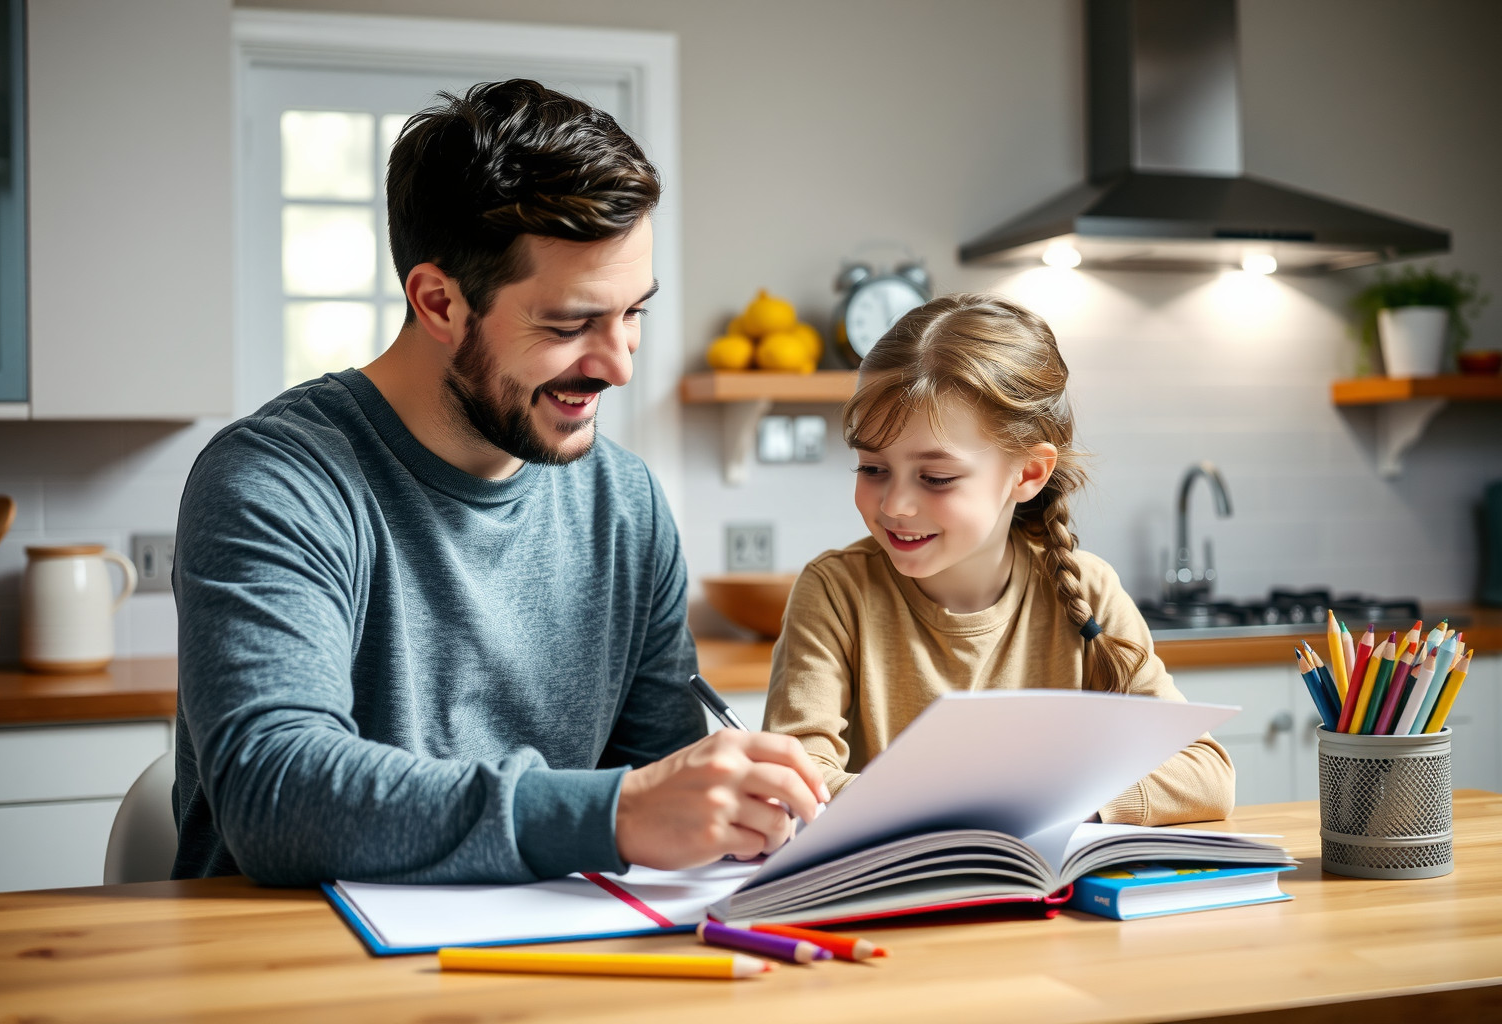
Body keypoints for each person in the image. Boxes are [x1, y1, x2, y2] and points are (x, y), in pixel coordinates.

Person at [171, 80, 826, 886]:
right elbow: (276, 795)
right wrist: (618, 814)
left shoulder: (624, 505)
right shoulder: (277, 479)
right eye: (570, 324)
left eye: (634, 314)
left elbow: (662, 798)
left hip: (541, 974)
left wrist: (738, 810)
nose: (619, 364)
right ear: (439, 301)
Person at [762, 293, 1234, 825]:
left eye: (936, 477)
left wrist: (1052, 806)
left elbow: (1205, 774)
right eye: (872, 468)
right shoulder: (835, 591)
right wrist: (982, 809)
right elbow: (796, 779)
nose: (895, 504)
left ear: (1028, 473)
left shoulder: (1089, 589)